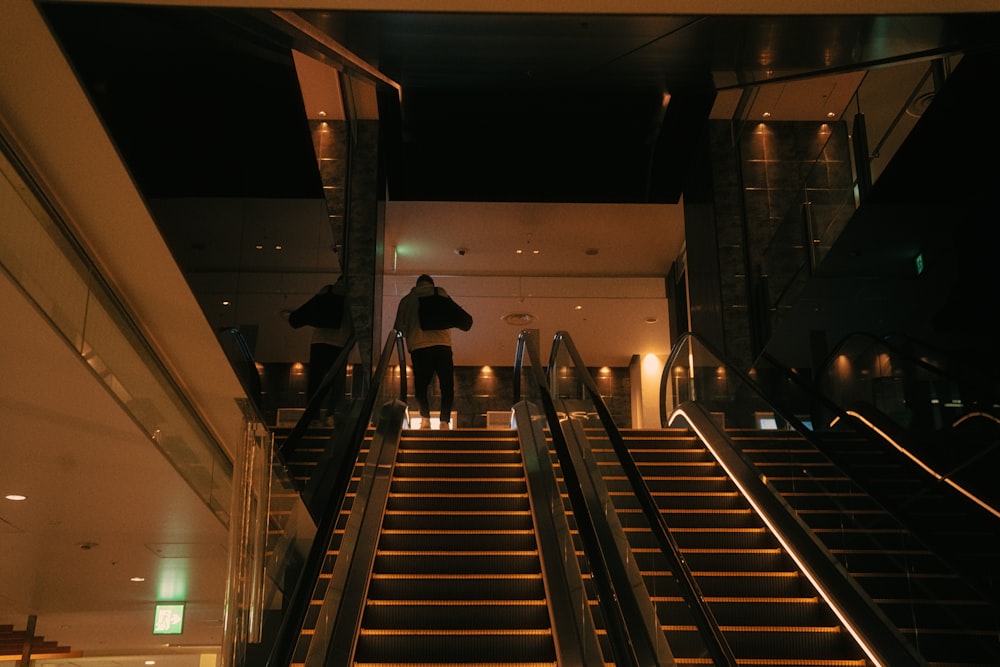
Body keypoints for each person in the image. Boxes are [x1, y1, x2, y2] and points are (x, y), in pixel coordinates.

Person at [393, 274, 458, 429]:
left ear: (417, 285)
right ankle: (444, 421)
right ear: (431, 284)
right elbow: (454, 314)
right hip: (442, 345)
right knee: (447, 385)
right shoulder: (441, 293)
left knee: (421, 385)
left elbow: (398, 328)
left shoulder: (406, 300)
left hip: (419, 346)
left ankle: (425, 418)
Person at [290, 276, 353, 426]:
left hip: (319, 340)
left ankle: (313, 417)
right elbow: (352, 322)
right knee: (337, 382)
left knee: (316, 381)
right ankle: (333, 416)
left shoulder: (327, 290)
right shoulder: (352, 298)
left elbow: (312, 309)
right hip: (339, 342)